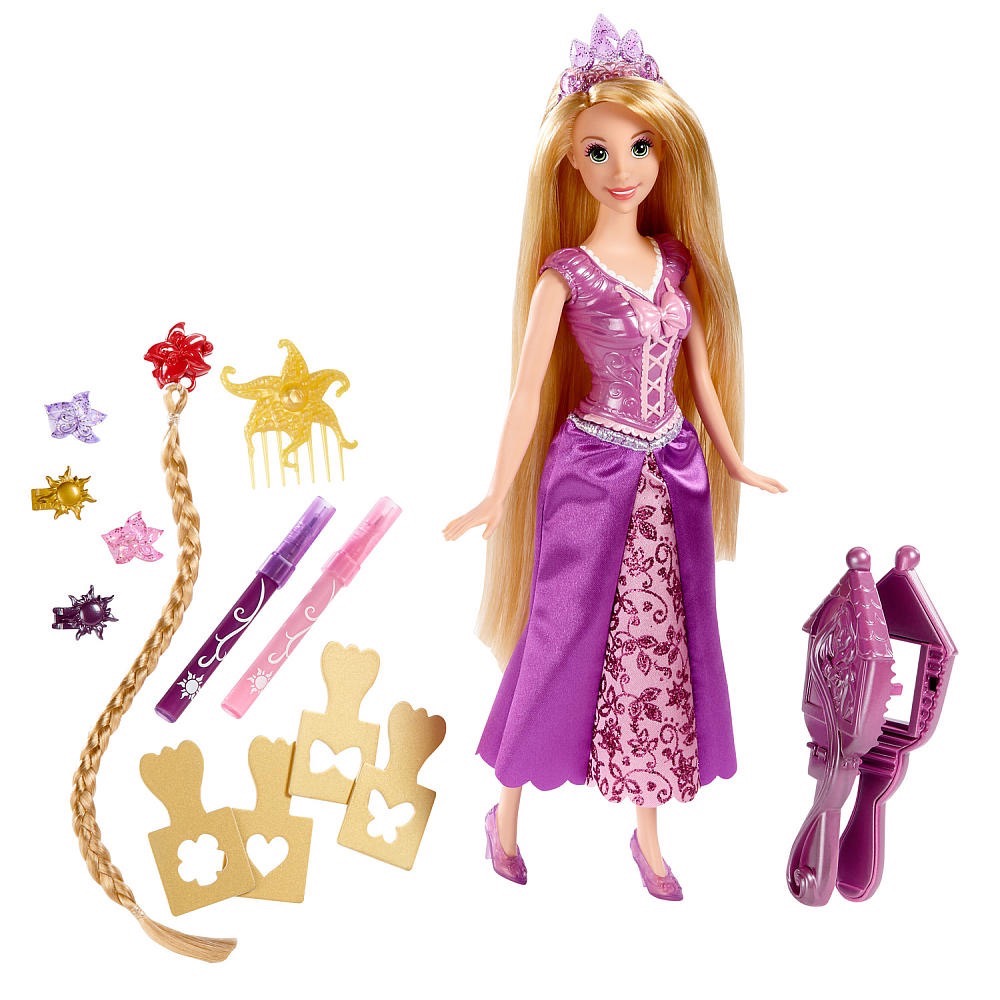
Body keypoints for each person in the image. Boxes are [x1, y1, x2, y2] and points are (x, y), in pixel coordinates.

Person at [444, 15, 785, 899]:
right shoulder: (564, 275)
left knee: (657, 645)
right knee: (556, 636)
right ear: (570, 161)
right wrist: (493, 497)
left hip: (673, 474)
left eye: (639, 147)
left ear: (665, 152)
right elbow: (526, 394)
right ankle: (505, 815)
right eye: (599, 151)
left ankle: (649, 837)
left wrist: (735, 461)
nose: (622, 168)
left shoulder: (676, 265)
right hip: (591, 475)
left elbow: (701, 375)